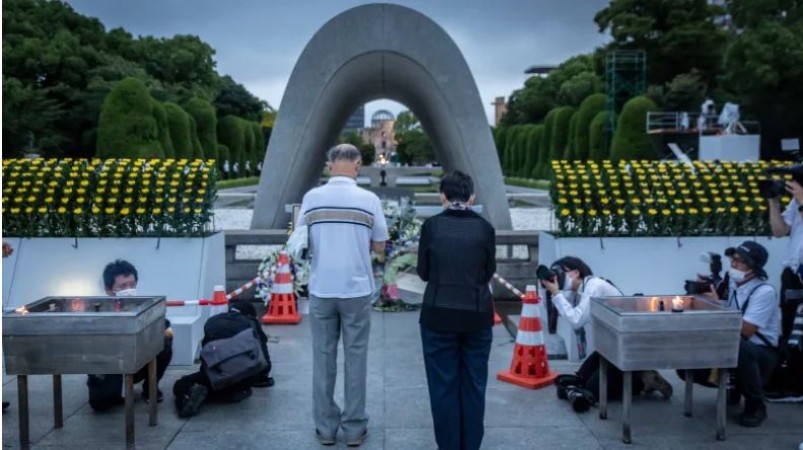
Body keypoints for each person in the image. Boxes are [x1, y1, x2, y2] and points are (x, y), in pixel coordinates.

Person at [295, 143, 388, 447]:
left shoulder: (312, 198)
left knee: (323, 359)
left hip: (322, 289)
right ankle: (353, 428)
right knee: (356, 359)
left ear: (329, 164)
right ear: (358, 165)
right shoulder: (369, 199)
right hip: (357, 289)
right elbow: (379, 246)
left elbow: (300, 241)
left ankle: (325, 429)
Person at [416, 171, 496, 450]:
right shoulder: (484, 228)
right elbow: (489, 271)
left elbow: (423, 273)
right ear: (471, 197)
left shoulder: (432, 227)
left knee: (443, 387)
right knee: (474, 385)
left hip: (438, 315)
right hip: (477, 315)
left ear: (443, 196)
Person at [541, 257, 673, 413]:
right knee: (580, 379)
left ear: (576, 273)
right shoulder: (578, 290)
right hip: (609, 346)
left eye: (560, 273)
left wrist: (556, 293)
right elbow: (562, 308)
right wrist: (551, 288)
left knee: (593, 390)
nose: (558, 277)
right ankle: (636, 374)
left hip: (625, 347)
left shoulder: (594, 287)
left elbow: (576, 320)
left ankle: (644, 380)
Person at [682, 241, 782, 427]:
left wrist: (717, 306)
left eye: (739, 260)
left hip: (762, 353)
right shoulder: (735, 285)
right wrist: (707, 299)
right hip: (737, 345)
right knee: (687, 357)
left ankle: (756, 406)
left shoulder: (764, 291)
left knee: (739, 348)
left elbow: (746, 331)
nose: (734, 264)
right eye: (733, 259)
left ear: (753, 267)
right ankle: (733, 388)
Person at [86, 260, 173, 411]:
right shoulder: (99, 310)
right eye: (123, 286)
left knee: (164, 344)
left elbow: (164, 325)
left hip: (139, 360)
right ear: (109, 289)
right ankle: (109, 388)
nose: (129, 289)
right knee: (100, 405)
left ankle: (150, 387)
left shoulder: (143, 305)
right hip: (112, 364)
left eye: (132, 285)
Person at [172, 300, 273, 418]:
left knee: (180, 384)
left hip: (217, 376)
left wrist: (204, 375)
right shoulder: (251, 323)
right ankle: (231, 394)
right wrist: (263, 378)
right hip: (244, 376)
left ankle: (186, 399)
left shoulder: (212, 321)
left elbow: (205, 355)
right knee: (242, 387)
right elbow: (264, 359)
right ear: (249, 314)